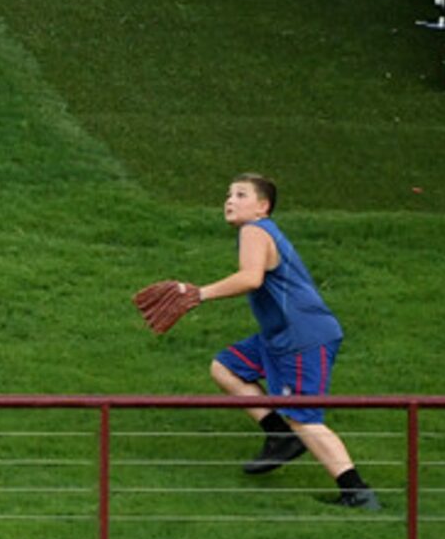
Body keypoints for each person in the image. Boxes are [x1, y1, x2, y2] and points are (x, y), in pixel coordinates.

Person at [131, 173, 380, 510]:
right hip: (279, 336)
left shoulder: (255, 230)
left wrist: (198, 294)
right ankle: (280, 436)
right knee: (226, 367)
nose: (229, 200)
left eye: (241, 194)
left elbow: (251, 277)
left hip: (302, 338)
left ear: (263, 207)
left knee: (304, 418)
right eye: (228, 194)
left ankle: (357, 492)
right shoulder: (257, 232)